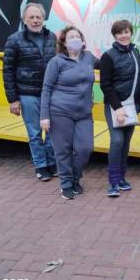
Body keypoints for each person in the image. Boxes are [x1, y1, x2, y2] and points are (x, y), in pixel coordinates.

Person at [39, 26, 99, 200]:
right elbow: (46, 88)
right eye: (70, 37)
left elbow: (108, 64)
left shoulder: (88, 58)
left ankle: (75, 177)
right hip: (60, 112)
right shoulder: (56, 62)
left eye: (77, 36)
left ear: (82, 40)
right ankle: (66, 184)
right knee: (63, 150)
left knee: (85, 149)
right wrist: (44, 116)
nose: (74, 39)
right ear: (64, 42)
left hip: (84, 113)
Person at [3, 3, 57, 181]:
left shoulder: (52, 37)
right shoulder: (14, 40)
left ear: (43, 18)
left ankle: (52, 163)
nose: (35, 20)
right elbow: (8, 70)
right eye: (31, 17)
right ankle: (41, 166)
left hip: (50, 94)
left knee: (51, 131)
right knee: (34, 133)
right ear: (24, 20)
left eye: (38, 17)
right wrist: (13, 99)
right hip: (27, 94)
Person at [100, 20, 140, 197]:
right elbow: (105, 84)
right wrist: (117, 107)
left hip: (133, 105)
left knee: (125, 143)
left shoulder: (136, 52)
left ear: (131, 33)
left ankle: (122, 178)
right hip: (115, 106)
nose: (124, 35)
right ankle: (113, 181)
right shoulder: (108, 56)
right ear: (115, 36)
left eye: (126, 32)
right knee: (117, 141)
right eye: (120, 33)